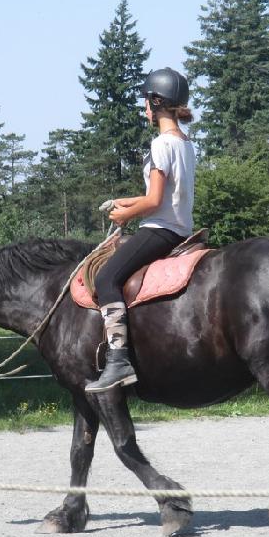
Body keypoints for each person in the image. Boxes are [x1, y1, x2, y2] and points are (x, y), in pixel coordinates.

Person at [85, 67, 196, 393]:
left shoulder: (161, 144)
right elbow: (165, 195)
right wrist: (124, 201)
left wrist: (125, 215)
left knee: (106, 278)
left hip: (160, 229)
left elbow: (154, 201)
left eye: (147, 101)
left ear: (157, 102)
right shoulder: (185, 143)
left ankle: (118, 361)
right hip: (180, 229)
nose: (145, 108)